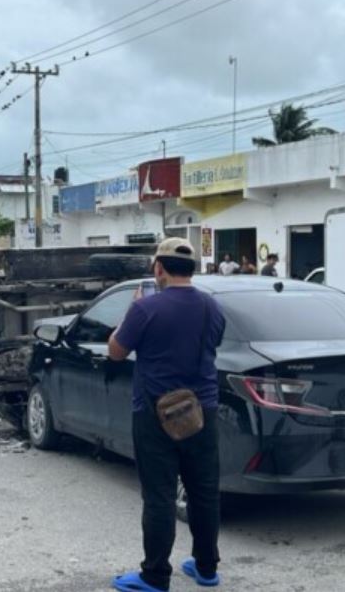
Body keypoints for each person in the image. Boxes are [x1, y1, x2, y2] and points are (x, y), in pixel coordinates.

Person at [108, 237, 226, 591]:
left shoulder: (146, 309)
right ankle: (206, 569)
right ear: (192, 269)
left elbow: (116, 351)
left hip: (155, 413)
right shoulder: (212, 307)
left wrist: (130, 314)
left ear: (158, 268)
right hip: (202, 411)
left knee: (159, 495)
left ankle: (155, 575)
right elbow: (213, 343)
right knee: (204, 492)